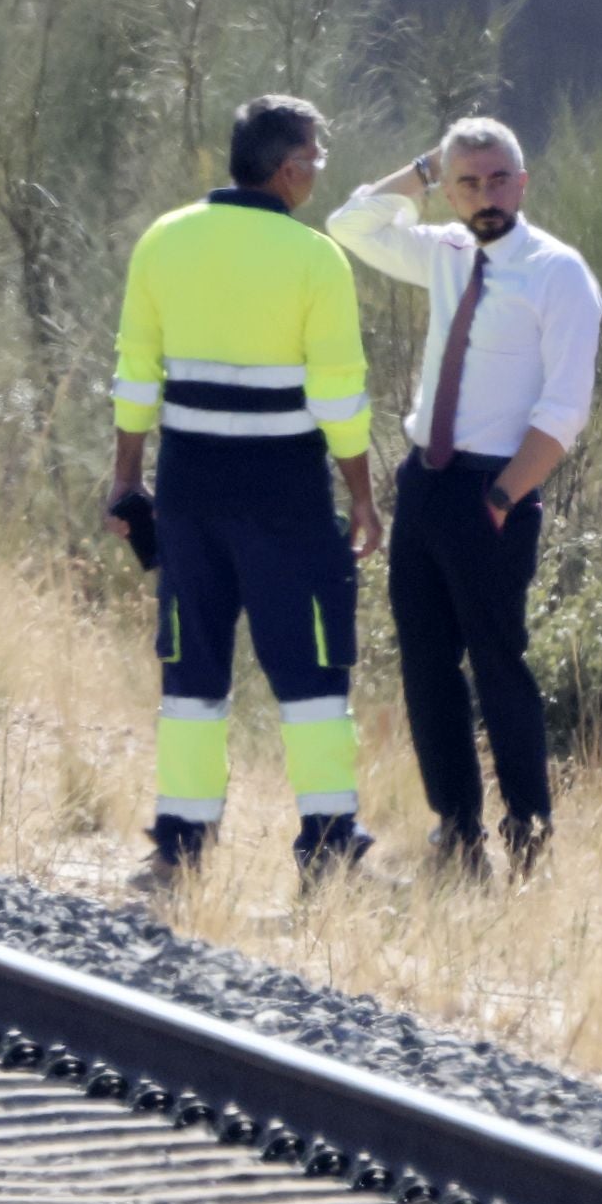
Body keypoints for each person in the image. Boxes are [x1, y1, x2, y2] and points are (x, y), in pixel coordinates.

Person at [107, 94, 381, 893]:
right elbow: (339, 396)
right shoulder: (314, 259)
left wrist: (128, 478)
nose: (318, 176)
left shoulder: (165, 239)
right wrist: (361, 495)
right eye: (317, 161)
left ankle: (180, 849)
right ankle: (330, 848)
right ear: (290, 168)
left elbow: (135, 372)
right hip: (284, 494)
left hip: (190, 489)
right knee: (314, 672)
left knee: (191, 669)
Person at [327, 117, 602, 882]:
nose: (486, 197)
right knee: (425, 665)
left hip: (494, 491)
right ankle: (457, 830)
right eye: (468, 183)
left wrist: (506, 496)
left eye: (499, 179)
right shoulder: (445, 251)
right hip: (425, 482)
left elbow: (563, 410)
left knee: (497, 663)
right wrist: (420, 168)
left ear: (525, 180)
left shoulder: (558, 271)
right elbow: (350, 222)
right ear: (447, 191)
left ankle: (529, 830)